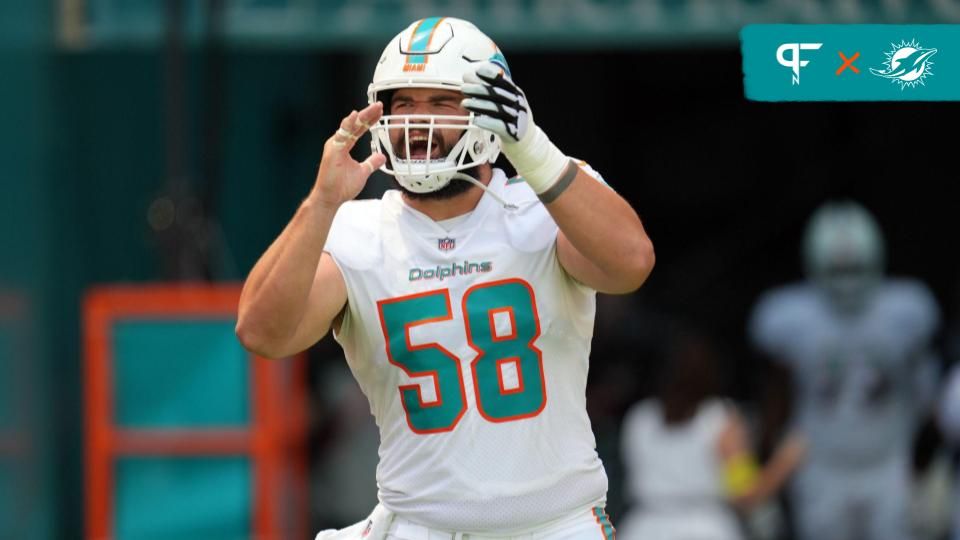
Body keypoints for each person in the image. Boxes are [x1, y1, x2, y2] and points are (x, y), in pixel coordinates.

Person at [235, 16, 655, 540]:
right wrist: (321, 202)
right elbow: (263, 333)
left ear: (489, 110)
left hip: (555, 525)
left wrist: (533, 149)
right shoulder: (358, 230)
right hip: (420, 525)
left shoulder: (544, 202)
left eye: (441, 102)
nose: (417, 121)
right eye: (404, 103)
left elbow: (630, 264)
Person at [748, 200, 940, 540]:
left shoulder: (906, 310)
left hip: (888, 462)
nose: (847, 282)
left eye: (854, 269)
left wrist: (922, 461)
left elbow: (926, 390)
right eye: (838, 271)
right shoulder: (788, 316)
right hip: (821, 465)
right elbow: (775, 394)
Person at [619, 330, 803, 540]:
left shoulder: (639, 417)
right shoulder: (719, 419)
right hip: (705, 528)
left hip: (644, 527)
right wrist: (784, 461)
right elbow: (745, 494)